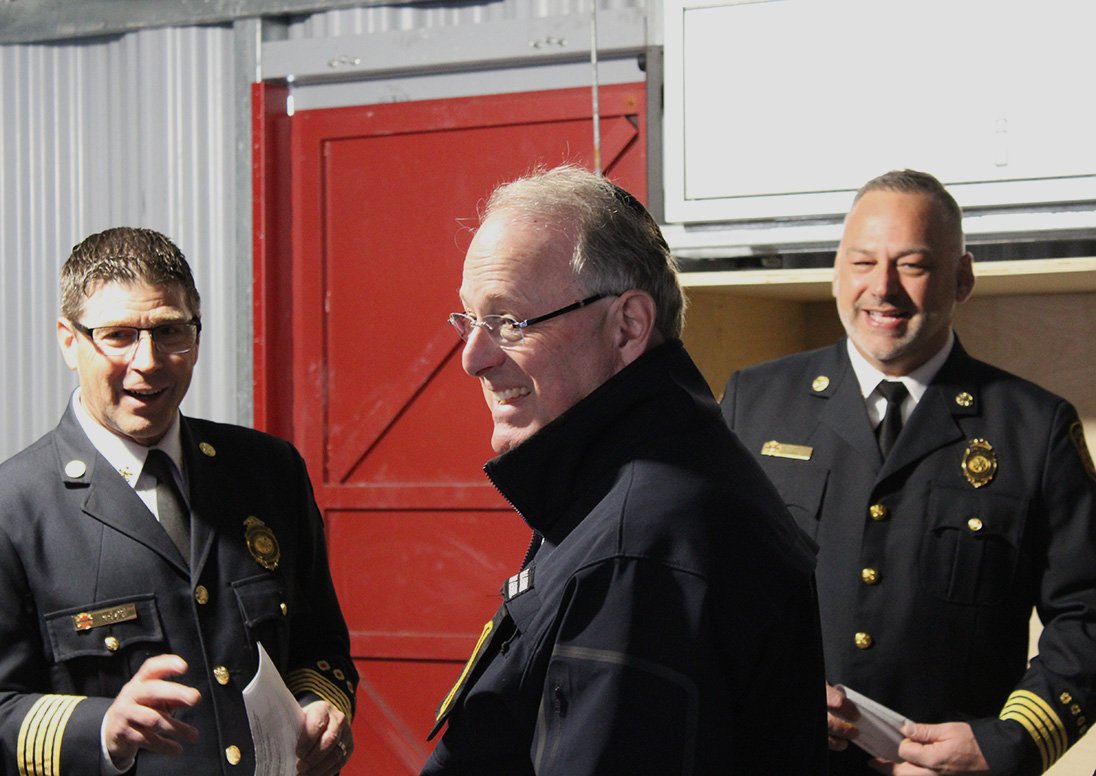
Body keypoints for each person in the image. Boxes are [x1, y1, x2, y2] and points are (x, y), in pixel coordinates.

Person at [420, 165, 828, 775]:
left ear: (629, 326)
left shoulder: (638, 544)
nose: (473, 358)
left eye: (509, 321)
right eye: (469, 319)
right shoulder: (651, 479)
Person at [720, 169, 1096, 775]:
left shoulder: (1034, 429)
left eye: (913, 265)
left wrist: (1005, 744)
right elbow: (699, 583)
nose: (882, 288)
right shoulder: (755, 402)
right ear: (838, 271)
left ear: (962, 278)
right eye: (863, 262)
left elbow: (1088, 613)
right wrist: (760, 695)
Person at [0, 227, 357, 775]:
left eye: (169, 331)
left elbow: (319, 643)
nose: (148, 361)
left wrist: (321, 707)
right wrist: (100, 728)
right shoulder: (14, 508)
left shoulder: (268, 472)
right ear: (69, 341)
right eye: (117, 336)